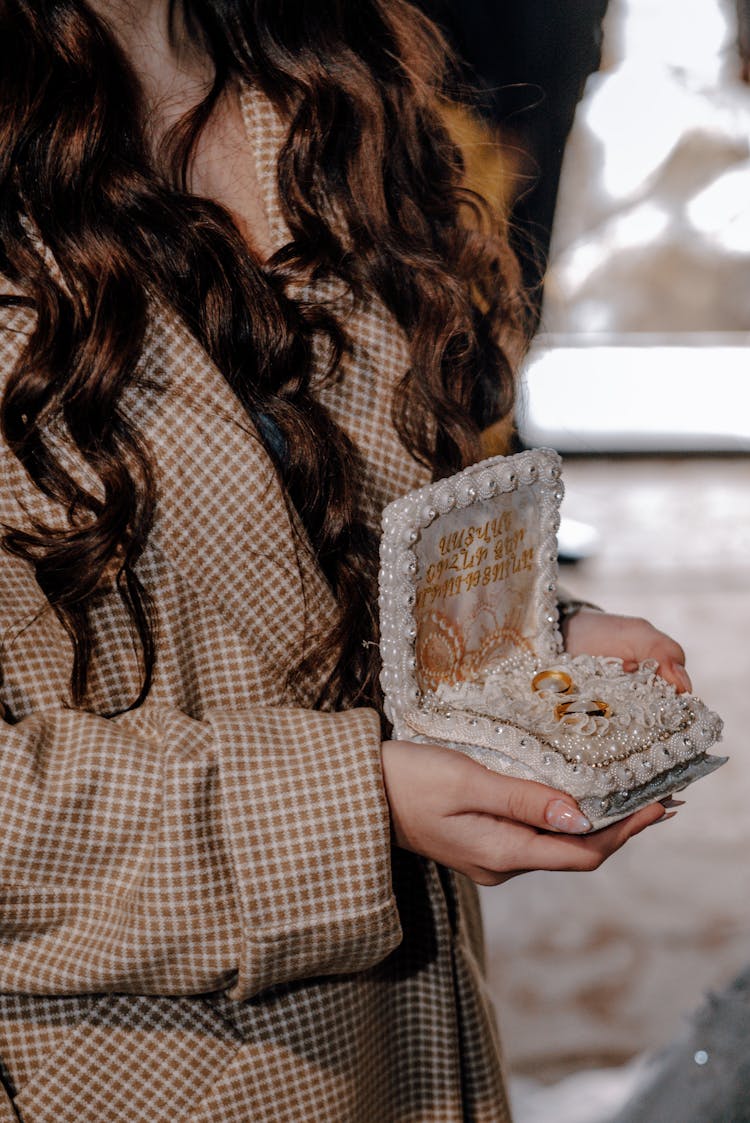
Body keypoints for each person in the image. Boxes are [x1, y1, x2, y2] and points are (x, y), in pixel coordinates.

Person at [0, 2, 690, 1120]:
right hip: (113, 1062)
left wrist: (516, 641)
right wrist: (354, 803)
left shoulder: (329, 77)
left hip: (408, 1044)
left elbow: (304, 528)